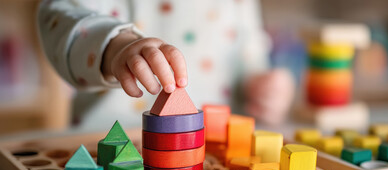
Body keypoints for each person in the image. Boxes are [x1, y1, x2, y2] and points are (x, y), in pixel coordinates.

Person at [38, 0, 294, 128]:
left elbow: (250, 55)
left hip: (217, 153)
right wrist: (116, 47)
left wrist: (266, 88)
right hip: (108, 143)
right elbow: (63, 19)